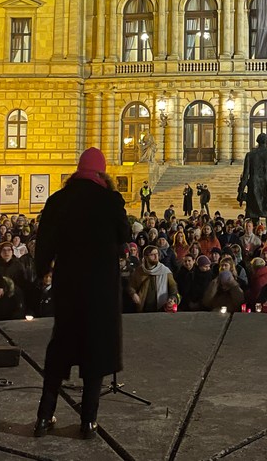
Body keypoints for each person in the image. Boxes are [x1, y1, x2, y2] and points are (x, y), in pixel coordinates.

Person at [33, 147, 130, 440]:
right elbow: (124, 234)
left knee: (62, 343)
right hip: (100, 287)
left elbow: (44, 243)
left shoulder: (58, 200)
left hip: (69, 284)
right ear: (101, 172)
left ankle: (44, 416)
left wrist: (42, 272)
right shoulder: (109, 200)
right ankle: (88, 422)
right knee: (96, 349)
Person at [128, 245, 179, 313]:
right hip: (144, 307)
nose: (156, 257)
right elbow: (131, 286)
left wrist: (172, 297)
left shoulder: (164, 270)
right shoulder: (139, 271)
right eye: (152, 254)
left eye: (157, 254)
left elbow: (173, 286)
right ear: (146, 257)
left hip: (161, 307)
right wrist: (133, 294)